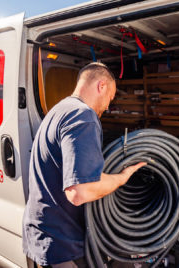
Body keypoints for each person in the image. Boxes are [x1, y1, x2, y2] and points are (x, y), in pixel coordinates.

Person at [22, 62, 146, 268]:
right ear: (102, 86)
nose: (108, 106)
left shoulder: (59, 109)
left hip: (45, 236)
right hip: (63, 245)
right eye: (110, 97)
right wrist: (121, 178)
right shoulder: (83, 116)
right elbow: (80, 191)